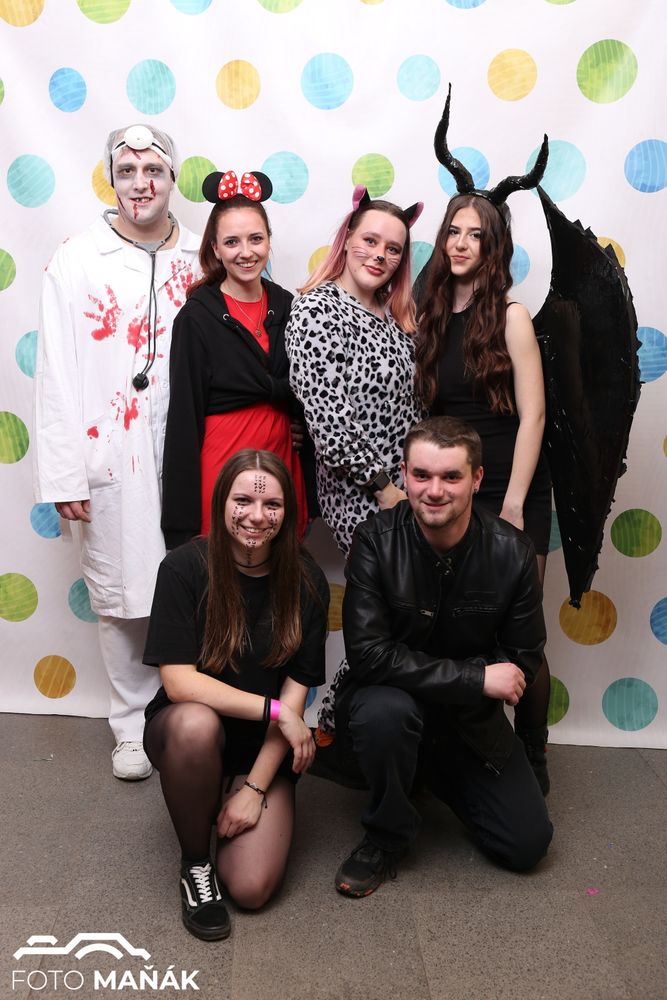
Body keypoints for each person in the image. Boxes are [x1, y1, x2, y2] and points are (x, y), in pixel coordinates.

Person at [33, 124, 200, 781]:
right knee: (120, 586)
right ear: (111, 178)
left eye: (153, 169)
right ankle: (130, 726)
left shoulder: (202, 254)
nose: (140, 183)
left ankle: (188, 710)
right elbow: (55, 370)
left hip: (188, 448)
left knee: (193, 580)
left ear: (172, 178)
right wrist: (63, 473)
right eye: (126, 170)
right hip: (108, 452)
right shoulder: (76, 257)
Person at [331, 417, 553, 898]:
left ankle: (430, 771)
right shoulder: (373, 540)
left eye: (451, 476)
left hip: (467, 722)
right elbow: (368, 656)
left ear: (476, 479)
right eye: (421, 475)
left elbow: (523, 658)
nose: (434, 491)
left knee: (527, 845)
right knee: (386, 713)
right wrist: (475, 678)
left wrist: (476, 687)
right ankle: (386, 835)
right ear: (404, 475)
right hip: (388, 706)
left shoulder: (513, 551)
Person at [415, 97, 552, 793]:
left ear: (493, 246)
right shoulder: (430, 314)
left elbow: (533, 416)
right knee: (455, 625)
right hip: (453, 491)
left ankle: (533, 754)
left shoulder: (513, 318)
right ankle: (465, 749)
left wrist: (516, 504)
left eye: (475, 234)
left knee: (520, 635)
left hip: (509, 487)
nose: (461, 242)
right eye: (453, 231)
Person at [143, 449, 329, 941]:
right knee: (195, 723)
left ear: (288, 512)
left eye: (272, 505)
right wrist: (276, 711)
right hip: (188, 732)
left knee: (251, 888)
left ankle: (232, 789)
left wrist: (254, 790)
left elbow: (296, 696)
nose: (256, 516)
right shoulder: (183, 568)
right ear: (221, 501)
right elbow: (178, 682)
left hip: (260, 747)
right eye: (242, 500)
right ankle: (195, 863)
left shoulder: (307, 581)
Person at [161, 170, 309, 550]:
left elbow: (309, 387)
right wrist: (179, 520)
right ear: (215, 248)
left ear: (269, 240)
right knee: (223, 568)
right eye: (232, 241)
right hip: (222, 462)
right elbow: (183, 417)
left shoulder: (288, 306)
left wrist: (300, 425)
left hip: (279, 458)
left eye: (256, 238)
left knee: (279, 566)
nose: (246, 252)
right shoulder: (196, 318)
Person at [286, 186, 423, 557]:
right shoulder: (318, 310)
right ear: (347, 240)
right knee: (387, 588)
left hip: (413, 489)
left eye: (393, 249)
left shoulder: (395, 315)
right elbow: (329, 422)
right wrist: (384, 488)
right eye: (370, 240)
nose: (380, 255)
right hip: (366, 496)